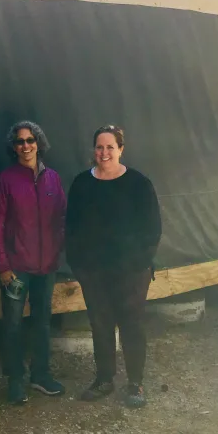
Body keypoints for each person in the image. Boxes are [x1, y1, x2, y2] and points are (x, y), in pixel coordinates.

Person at [64, 124, 162, 409]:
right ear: (93, 150)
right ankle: (104, 379)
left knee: (131, 324)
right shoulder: (82, 183)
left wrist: (140, 263)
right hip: (93, 270)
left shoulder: (138, 183)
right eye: (99, 146)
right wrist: (78, 265)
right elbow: (71, 227)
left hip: (131, 270)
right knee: (100, 324)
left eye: (110, 147)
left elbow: (152, 227)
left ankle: (136, 383)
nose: (104, 152)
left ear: (121, 149)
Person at [0, 121, 67, 405]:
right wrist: (2, 266)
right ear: (14, 147)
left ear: (39, 142)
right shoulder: (6, 180)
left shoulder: (53, 179)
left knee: (42, 323)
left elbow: (61, 218)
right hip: (16, 269)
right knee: (12, 324)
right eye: (20, 142)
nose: (26, 146)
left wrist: (57, 251)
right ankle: (15, 381)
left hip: (46, 267)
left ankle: (41, 375)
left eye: (30, 140)